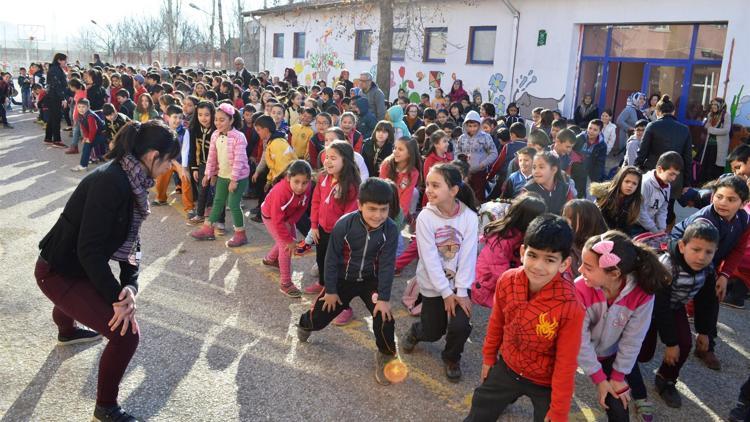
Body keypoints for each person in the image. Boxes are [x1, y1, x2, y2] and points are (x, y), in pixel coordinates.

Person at [36, 120, 179, 422]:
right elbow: (89, 250)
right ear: (153, 156)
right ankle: (105, 407)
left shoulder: (133, 180)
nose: (171, 167)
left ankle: (67, 332)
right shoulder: (111, 181)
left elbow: (132, 241)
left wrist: (131, 285)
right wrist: (118, 298)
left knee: (89, 297)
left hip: (75, 265)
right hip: (57, 270)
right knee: (126, 334)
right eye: (169, 160)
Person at [464, 214, 584, 422]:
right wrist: (489, 357)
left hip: (544, 381)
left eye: (550, 260)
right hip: (508, 366)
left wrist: (559, 411)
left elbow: (566, 362)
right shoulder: (507, 281)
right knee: (481, 405)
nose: (538, 266)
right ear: (522, 252)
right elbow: (496, 323)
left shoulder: (571, 307)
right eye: (533, 255)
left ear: (564, 264)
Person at [297, 177, 399, 384]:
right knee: (318, 319)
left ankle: (386, 355)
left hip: (371, 280)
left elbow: (388, 265)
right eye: (372, 209)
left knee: (385, 317)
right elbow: (331, 259)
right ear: (360, 205)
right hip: (343, 280)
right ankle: (305, 323)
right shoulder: (344, 224)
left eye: (383, 209)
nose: (378, 215)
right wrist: (332, 290)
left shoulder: (391, 229)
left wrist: (384, 297)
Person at [576, 230, 671, 421]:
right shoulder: (579, 288)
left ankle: (637, 396)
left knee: (620, 410)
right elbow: (579, 341)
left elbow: (633, 339)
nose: (579, 271)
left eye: (587, 266)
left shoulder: (642, 293)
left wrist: (617, 378)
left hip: (610, 353)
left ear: (615, 273)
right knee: (549, 394)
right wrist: (600, 379)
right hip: (569, 349)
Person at [628, 220, 718, 413]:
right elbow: (659, 306)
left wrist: (704, 332)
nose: (701, 257)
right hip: (648, 308)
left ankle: (665, 380)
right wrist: (670, 343)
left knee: (685, 343)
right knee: (643, 352)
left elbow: (707, 301)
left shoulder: (709, 269)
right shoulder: (668, 266)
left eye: (708, 252)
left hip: (674, 306)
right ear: (682, 246)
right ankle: (623, 369)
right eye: (696, 249)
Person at [401, 163, 478, 382]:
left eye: (436, 185)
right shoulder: (426, 217)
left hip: (459, 285)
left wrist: (461, 291)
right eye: (428, 185)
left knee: (460, 325)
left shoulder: (469, 217)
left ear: (453, 190)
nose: (429, 190)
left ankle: (451, 357)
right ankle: (417, 330)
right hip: (433, 286)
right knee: (434, 331)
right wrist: (445, 292)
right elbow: (430, 259)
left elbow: (468, 256)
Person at [671, 176, 750, 371]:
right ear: (712, 196)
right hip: (684, 257)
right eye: (719, 196)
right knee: (688, 297)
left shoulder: (743, 220)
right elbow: (697, 256)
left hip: (709, 261)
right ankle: (699, 338)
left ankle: (706, 344)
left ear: (744, 203)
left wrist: (724, 275)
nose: (723, 202)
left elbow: (738, 250)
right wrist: (715, 276)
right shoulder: (705, 221)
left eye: (731, 200)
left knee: (712, 292)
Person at [304, 141, 361, 295]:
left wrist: (340, 234)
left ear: (346, 160)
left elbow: (349, 213)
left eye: (333, 158)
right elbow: (315, 201)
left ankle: (333, 290)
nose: (327, 161)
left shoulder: (351, 185)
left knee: (335, 262)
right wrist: (314, 225)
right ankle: (322, 283)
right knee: (321, 257)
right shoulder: (323, 177)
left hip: (338, 234)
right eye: (326, 157)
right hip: (321, 228)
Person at [190, 104, 251, 247]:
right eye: (216, 119)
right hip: (223, 175)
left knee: (234, 204)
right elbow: (212, 157)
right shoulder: (215, 134)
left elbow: (239, 160)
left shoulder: (239, 137)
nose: (218, 123)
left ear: (231, 120)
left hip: (238, 177)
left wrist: (234, 180)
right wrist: (208, 174)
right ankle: (208, 229)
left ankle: (240, 235)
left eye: (222, 120)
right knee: (218, 201)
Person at [472, 193, 547, 308]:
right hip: (486, 287)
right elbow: (500, 272)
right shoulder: (502, 239)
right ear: (529, 220)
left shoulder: (521, 235)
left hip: (506, 282)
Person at [261, 160, 313, 298]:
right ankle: (285, 283)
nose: (300, 187)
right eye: (296, 182)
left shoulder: (307, 188)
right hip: (271, 217)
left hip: (286, 217)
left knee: (286, 240)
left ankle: (270, 259)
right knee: (286, 245)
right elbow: (277, 222)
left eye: (304, 182)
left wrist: (290, 222)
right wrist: (288, 240)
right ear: (289, 178)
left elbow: (302, 208)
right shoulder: (280, 191)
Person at [635, 95, 692, 218]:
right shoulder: (684, 129)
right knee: (667, 210)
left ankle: (648, 234)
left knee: (647, 208)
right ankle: (663, 235)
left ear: (657, 112)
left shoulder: (652, 126)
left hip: (653, 174)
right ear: (674, 112)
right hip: (674, 177)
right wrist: (687, 182)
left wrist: (635, 169)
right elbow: (688, 158)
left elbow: (642, 152)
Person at [185, 101, 218, 226]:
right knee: (202, 189)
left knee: (215, 191)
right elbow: (192, 150)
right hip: (202, 165)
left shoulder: (217, 130)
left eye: (207, 115)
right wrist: (194, 168)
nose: (203, 118)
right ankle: (200, 214)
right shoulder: (194, 129)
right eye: (200, 115)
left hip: (216, 166)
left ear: (213, 115)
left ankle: (213, 214)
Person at [635, 152, 682, 235]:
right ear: (660, 169)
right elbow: (640, 211)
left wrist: (662, 228)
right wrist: (655, 230)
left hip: (649, 226)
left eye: (676, 175)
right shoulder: (645, 183)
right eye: (671, 174)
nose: (674, 178)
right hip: (635, 225)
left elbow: (663, 209)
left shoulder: (667, 185)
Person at [455, 110, 497, 201]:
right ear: (465, 125)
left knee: (478, 197)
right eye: (470, 126)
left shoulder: (485, 137)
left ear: (479, 125)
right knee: (464, 196)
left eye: (475, 126)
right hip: (465, 174)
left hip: (480, 173)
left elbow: (494, 153)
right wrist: (461, 162)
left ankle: (478, 214)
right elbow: (457, 153)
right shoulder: (462, 138)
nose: (472, 128)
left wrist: (483, 164)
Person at [590, 166, 643, 233]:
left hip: (618, 234)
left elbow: (627, 226)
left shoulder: (635, 201)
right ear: (620, 180)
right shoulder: (606, 195)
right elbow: (598, 220)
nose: (630, 185)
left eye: (634, 183)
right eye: (627, 181)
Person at [699, 98, 731, 184]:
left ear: (721, 105)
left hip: (718, 147)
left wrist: (712, 130)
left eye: (715, 104)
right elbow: (706, 126)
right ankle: (703, 185)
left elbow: (726, 130)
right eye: (712, 104)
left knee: (716, 167)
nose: (713, 106)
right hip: (708, 145)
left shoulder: (726, 115)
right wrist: (708, 126)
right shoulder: (710, 115)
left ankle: (714, 186)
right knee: (706, 166)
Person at [71, 99, 107, 172]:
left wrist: (89, 139)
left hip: (104, 134)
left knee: (88, 144)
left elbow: (93, 129)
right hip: (97, 133)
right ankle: (84, 164)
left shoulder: (90, 116)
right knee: (86, 144)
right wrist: (85, 137)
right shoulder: (80, 115)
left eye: (83, 107)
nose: (81, 109)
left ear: (88, 107)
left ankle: (83, 165)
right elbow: (84, 128)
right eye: (79, 107)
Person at [44, 53, 68, 147]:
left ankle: (48, 138)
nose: (66, 62)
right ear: (59, 60)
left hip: (53, 96)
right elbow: (56, 85)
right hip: (55, 97)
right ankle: (57, 140)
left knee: (52, 118)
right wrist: (63, 98)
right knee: (56, 119)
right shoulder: (55, 69)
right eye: (65, 60)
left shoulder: (55, 68)